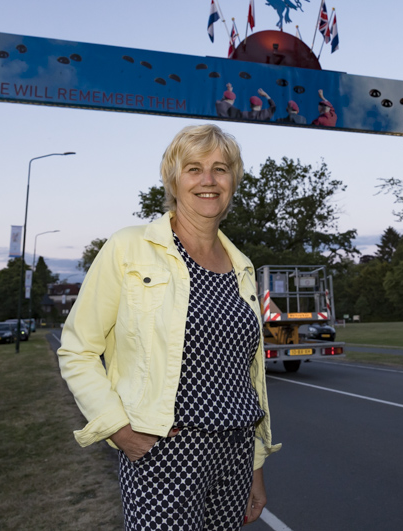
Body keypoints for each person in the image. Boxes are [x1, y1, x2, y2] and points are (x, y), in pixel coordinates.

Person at [59, 124, 279, 529]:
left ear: (234, 180)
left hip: (236, 454)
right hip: (165, 453)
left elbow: (245, 379)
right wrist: (120, 430)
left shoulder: (242, 266)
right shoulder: (129, 248)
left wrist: (255, 468)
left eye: (220, 168)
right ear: (173, 180)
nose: (209, 180)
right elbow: (77, 348)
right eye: (194, 168)